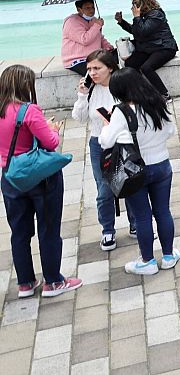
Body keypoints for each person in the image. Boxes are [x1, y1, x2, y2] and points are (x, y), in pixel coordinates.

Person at [0, 65, 78, 299]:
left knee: (20, 232)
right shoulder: (29, 111)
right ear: (26, 85)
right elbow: (50, 143)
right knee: (48, 228)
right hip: (40, 177)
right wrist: (54, 129)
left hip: (10, 176)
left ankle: (25, 283)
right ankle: (53, 281)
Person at [71, 50, 122, 251]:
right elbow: (79, 117)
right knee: (104, 189)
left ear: (110, 68)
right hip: (97, 143)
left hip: (121, 141)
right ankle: (107, 229)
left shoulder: (121, 86)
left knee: (129, 182)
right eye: (89, 69)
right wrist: (82, 96)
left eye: (97, 68)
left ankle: (136, 223)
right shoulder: (91, 89)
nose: (92, 73)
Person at [114, 0, 179, 99]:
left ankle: (164, 94)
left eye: (135, 2)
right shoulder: (144, 15)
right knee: (130, 64)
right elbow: (136, 31)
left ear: (143, 1)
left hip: (164, 47)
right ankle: (142, 91)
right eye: (133, 2)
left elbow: (143, 31)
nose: (133, 5)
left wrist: (137, 17)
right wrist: (121, 22)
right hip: (150, 48)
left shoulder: (156, 14)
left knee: (146, 68)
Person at [60, 0, 112, 77]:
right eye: (87, 8)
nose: (91, 10)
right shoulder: (71, 22)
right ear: (79, 9)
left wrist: (108, 47)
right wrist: (97, 25)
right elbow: (84, 39)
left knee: (113, 66)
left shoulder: (94, 20)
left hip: (94, 56)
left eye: (92, 7)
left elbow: (99, 37)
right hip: (77, 60)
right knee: (96, 74)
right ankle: (89, 89)